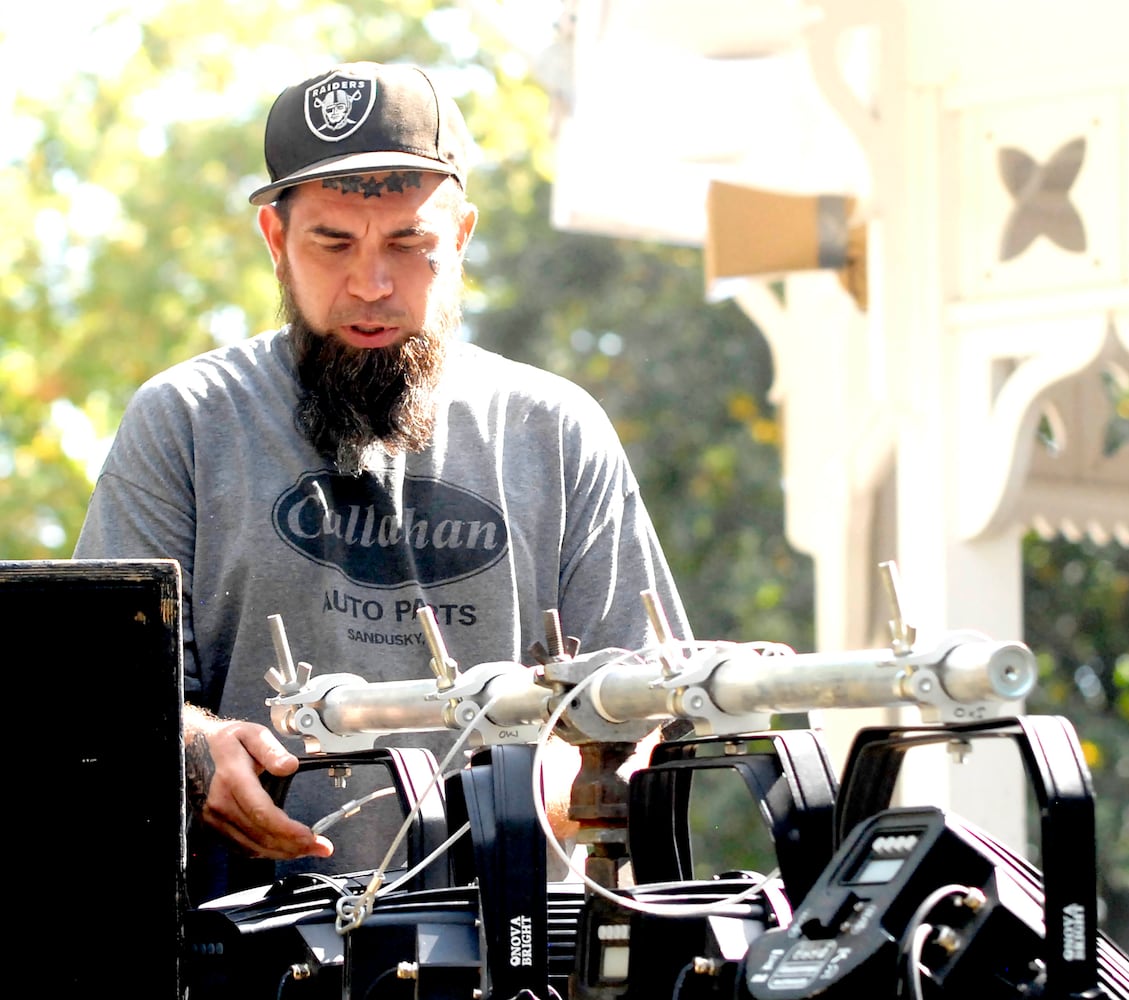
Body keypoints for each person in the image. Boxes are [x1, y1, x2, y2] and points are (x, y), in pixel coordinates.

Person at [73, 60, 691, 900]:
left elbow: (647, 691)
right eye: (333, 244)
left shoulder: (555, 430)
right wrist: (194, 746)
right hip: (245, 947)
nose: (372, 284)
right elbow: (99, 695)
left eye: (411, 244)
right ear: (276, 241)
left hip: (511, 943)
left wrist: (581, 767)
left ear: (463, 235)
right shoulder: (186, 419)